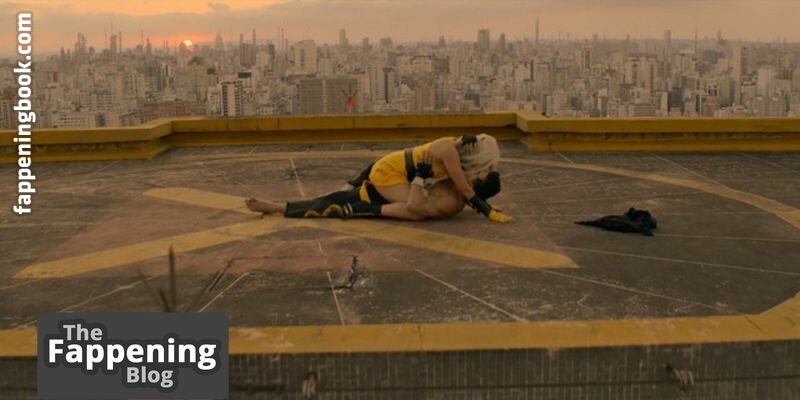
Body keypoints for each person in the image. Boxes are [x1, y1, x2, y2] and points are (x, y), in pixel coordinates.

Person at [244, 134, 512, 223]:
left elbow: (466, 190)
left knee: (332, 200)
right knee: (415, 209)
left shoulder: (456, 157)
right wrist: (488, 212)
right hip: (389, 173)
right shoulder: (450, 153)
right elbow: (465, 190)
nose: (477, 173)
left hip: (389, 170)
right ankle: (365, 208)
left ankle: (280, 206)